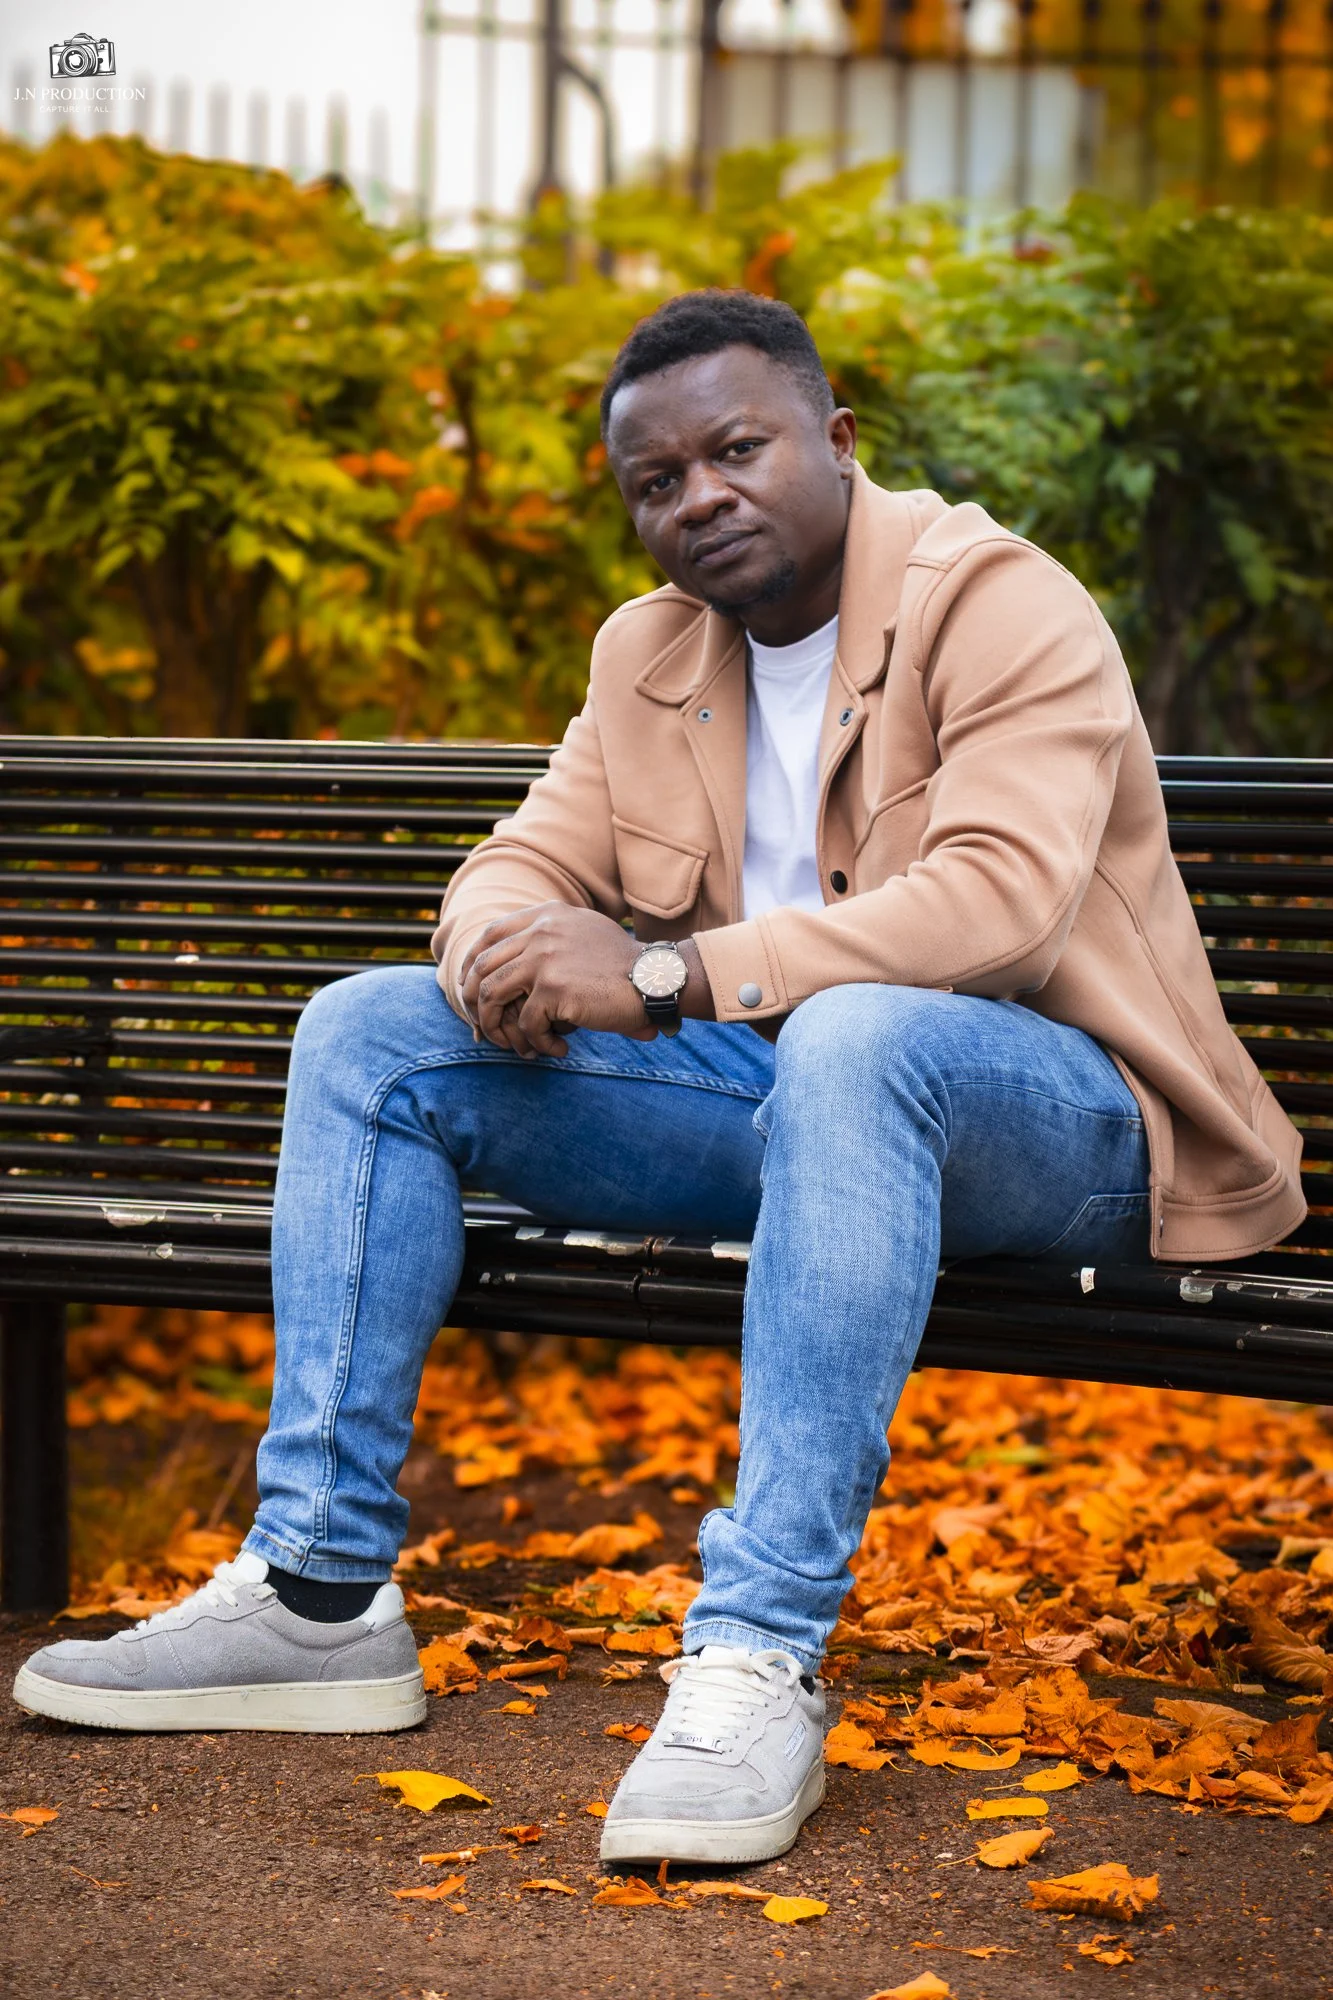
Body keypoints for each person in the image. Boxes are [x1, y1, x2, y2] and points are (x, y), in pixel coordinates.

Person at [14, 292, 1304, 1866]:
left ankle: (758, 1652)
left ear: (837, 439)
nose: (701, 496)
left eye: (737, 450)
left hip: (1070, 1124)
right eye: (657, 480)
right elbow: (516, 862)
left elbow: (998, 906)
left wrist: (656, 977)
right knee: (370, 1030)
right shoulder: (649, 651)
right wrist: (499, 953)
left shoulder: (997, 602)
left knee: (857, 1032)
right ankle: (315, 1593)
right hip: (797, 1110)